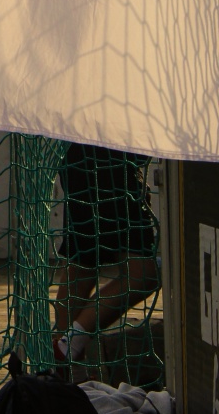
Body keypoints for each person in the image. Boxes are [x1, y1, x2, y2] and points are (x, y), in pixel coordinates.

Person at [52, 142, 160, 378]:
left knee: (83, 265)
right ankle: (69, 347)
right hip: (109, 161)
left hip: (87, 157)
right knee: (143, 275)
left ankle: (66, 366)